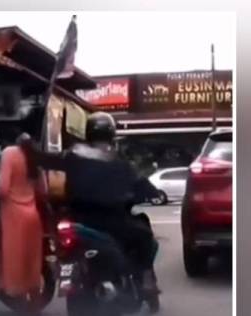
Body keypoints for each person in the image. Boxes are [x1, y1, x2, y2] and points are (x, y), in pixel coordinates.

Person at [33, 112, 160, 295]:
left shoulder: (73, 155)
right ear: (111, 134)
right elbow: (140, 183)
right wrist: (152, 194)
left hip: (78, 219)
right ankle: (147, 280)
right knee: (145, 236)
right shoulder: (118, 160)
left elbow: (45, 159)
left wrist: (27, 147)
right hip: (112, 221)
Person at [0, 127, 46, 301]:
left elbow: (2, 189)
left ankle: (23, 311)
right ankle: (34, 310)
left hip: (14, 217)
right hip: (32, 215)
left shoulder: (9, 153)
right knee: (32, 263)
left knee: (15, 264)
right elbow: (43, 190)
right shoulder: (34, 154)